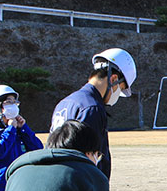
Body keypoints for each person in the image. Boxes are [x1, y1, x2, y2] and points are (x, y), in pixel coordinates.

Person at [50, 48, 137, 179]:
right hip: (80, 187)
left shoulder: (65, 102)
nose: (118, 94)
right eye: (121, 88)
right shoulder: (92, 108)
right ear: (113, 79)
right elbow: (89, 160)